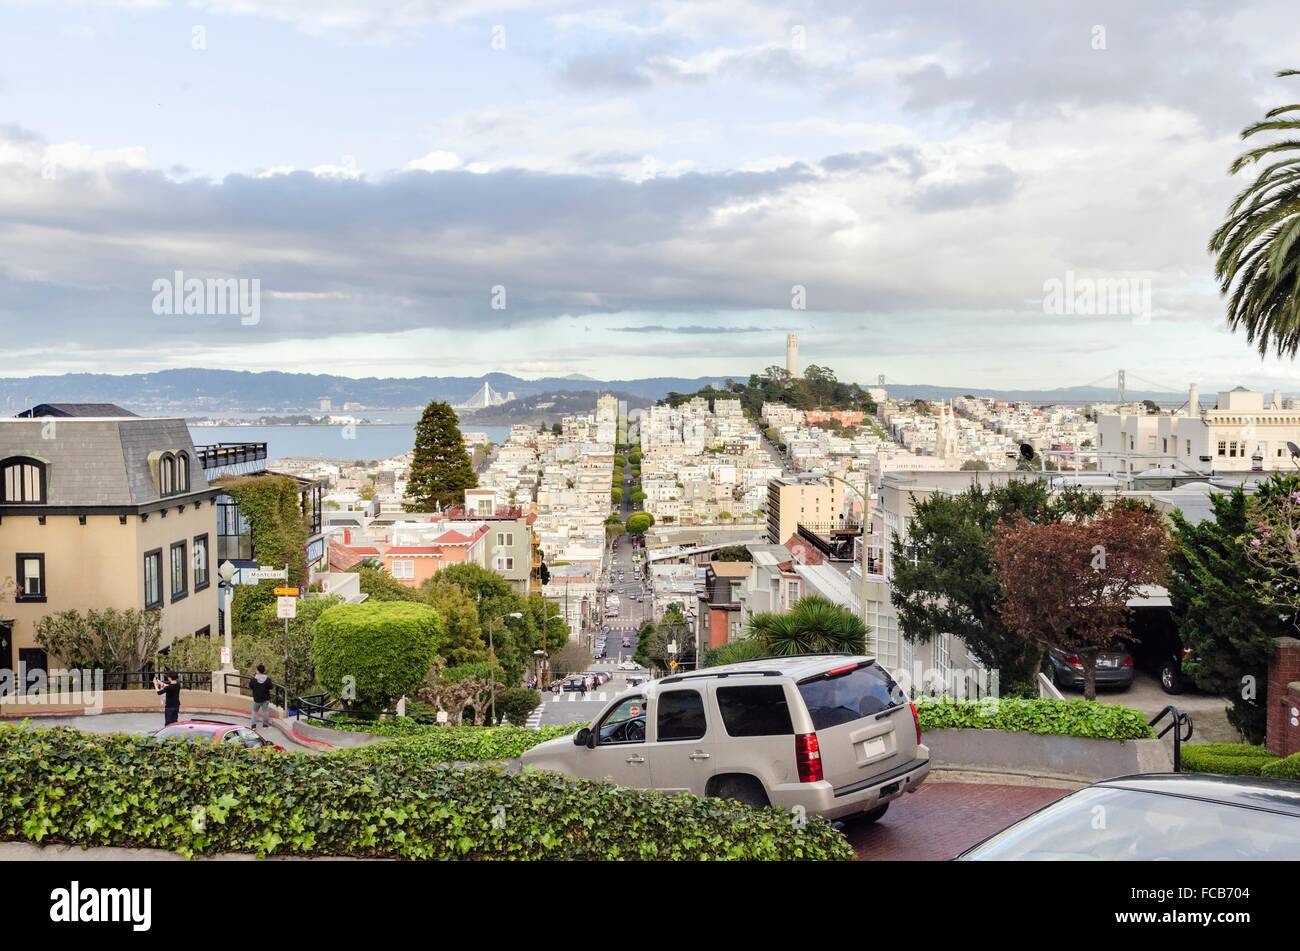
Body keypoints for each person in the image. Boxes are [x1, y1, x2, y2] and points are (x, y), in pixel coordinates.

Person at [249, 664, 273, 729]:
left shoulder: (253, 679)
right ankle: (265, 725)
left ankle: (253, 726)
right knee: (265, 712)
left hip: (256, 699)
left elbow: (251, 686)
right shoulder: (267, 679)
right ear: (264, 671)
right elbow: (271, 687)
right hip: (265, 699)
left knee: (254, 712)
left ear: (258, 671)